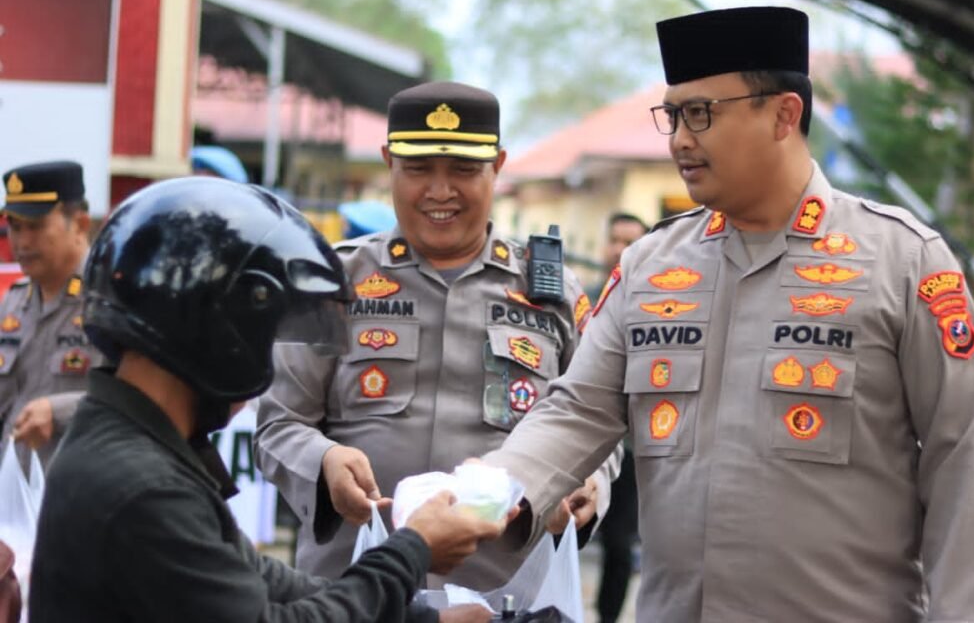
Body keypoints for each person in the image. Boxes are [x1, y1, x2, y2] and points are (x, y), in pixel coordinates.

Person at [483, 6, 974, 622]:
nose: (679, 139)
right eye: (672, 116)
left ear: (784, 114)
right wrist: (479, 493)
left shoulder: (903, 260)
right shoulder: (651, 264)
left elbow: (962, 463)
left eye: (701, 114)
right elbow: (577, 411)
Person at [29, 177, 502, 623]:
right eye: (264, 335)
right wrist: (413, 548)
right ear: (218, 336)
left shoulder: (134, 446)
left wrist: (422, 618)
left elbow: (258, 577)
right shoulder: (142, 486)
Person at [255, 80, 619, 589]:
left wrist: (591, 482)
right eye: (418, 169)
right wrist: (324, 462)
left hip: (506, 596)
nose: (440, 191)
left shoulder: (555, 293)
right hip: (355, 593)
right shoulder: (329, 284)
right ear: (388, 162)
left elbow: (599, 416)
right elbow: (277, 426)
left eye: (465, 170)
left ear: (498, 165)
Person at [0, 161, 102, 469]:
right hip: (11, 499)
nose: (22, 242)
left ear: (80, 224)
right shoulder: (13, 304)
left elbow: (138, 400)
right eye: (15, 227)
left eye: (36, 226)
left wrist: (58, 411)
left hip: (78, 493)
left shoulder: (110, 299)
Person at [592, 213, 646, 623]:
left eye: (630, 241)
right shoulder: (587, 298)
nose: (619, 249)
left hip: (630, 447)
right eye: (614, 239)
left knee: (617, 543)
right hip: (584, 442)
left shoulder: (658, 305)